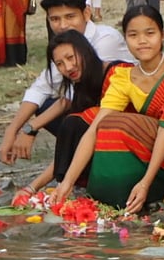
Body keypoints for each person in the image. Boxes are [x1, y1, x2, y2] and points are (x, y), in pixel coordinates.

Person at [50, 5, 164, 213]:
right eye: (133, 35)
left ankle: (150, 187)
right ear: (125, 39)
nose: (142, 41)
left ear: (163, 35)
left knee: (121, 124)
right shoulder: (124, 77)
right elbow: (94, 130)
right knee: (103, 125)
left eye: (149, 33)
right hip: (154, 150)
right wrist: (67, 183)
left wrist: (145, 183)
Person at [0, 0, 132, 166]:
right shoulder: (63, 46)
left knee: (70, 115)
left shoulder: (106, 40)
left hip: (118, 116)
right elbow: (41, 88)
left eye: (70, 17)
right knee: (44, 104)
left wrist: (31, 128)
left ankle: (87, 160)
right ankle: (79, 158)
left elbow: (74, 96)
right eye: (55, 19)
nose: (63, 26)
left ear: (86, 13)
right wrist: (12, 130)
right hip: (88, 112)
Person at [23, 30, 131, 194]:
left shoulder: (118, 73)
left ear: (85, 51)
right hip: (109, 151)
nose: (67, 67)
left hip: (135, 150)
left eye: (70, 57)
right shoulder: (82, 88)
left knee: (78, 121)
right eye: (59, 64)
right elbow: (68, 150)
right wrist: (31, 188)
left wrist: (66, 182)